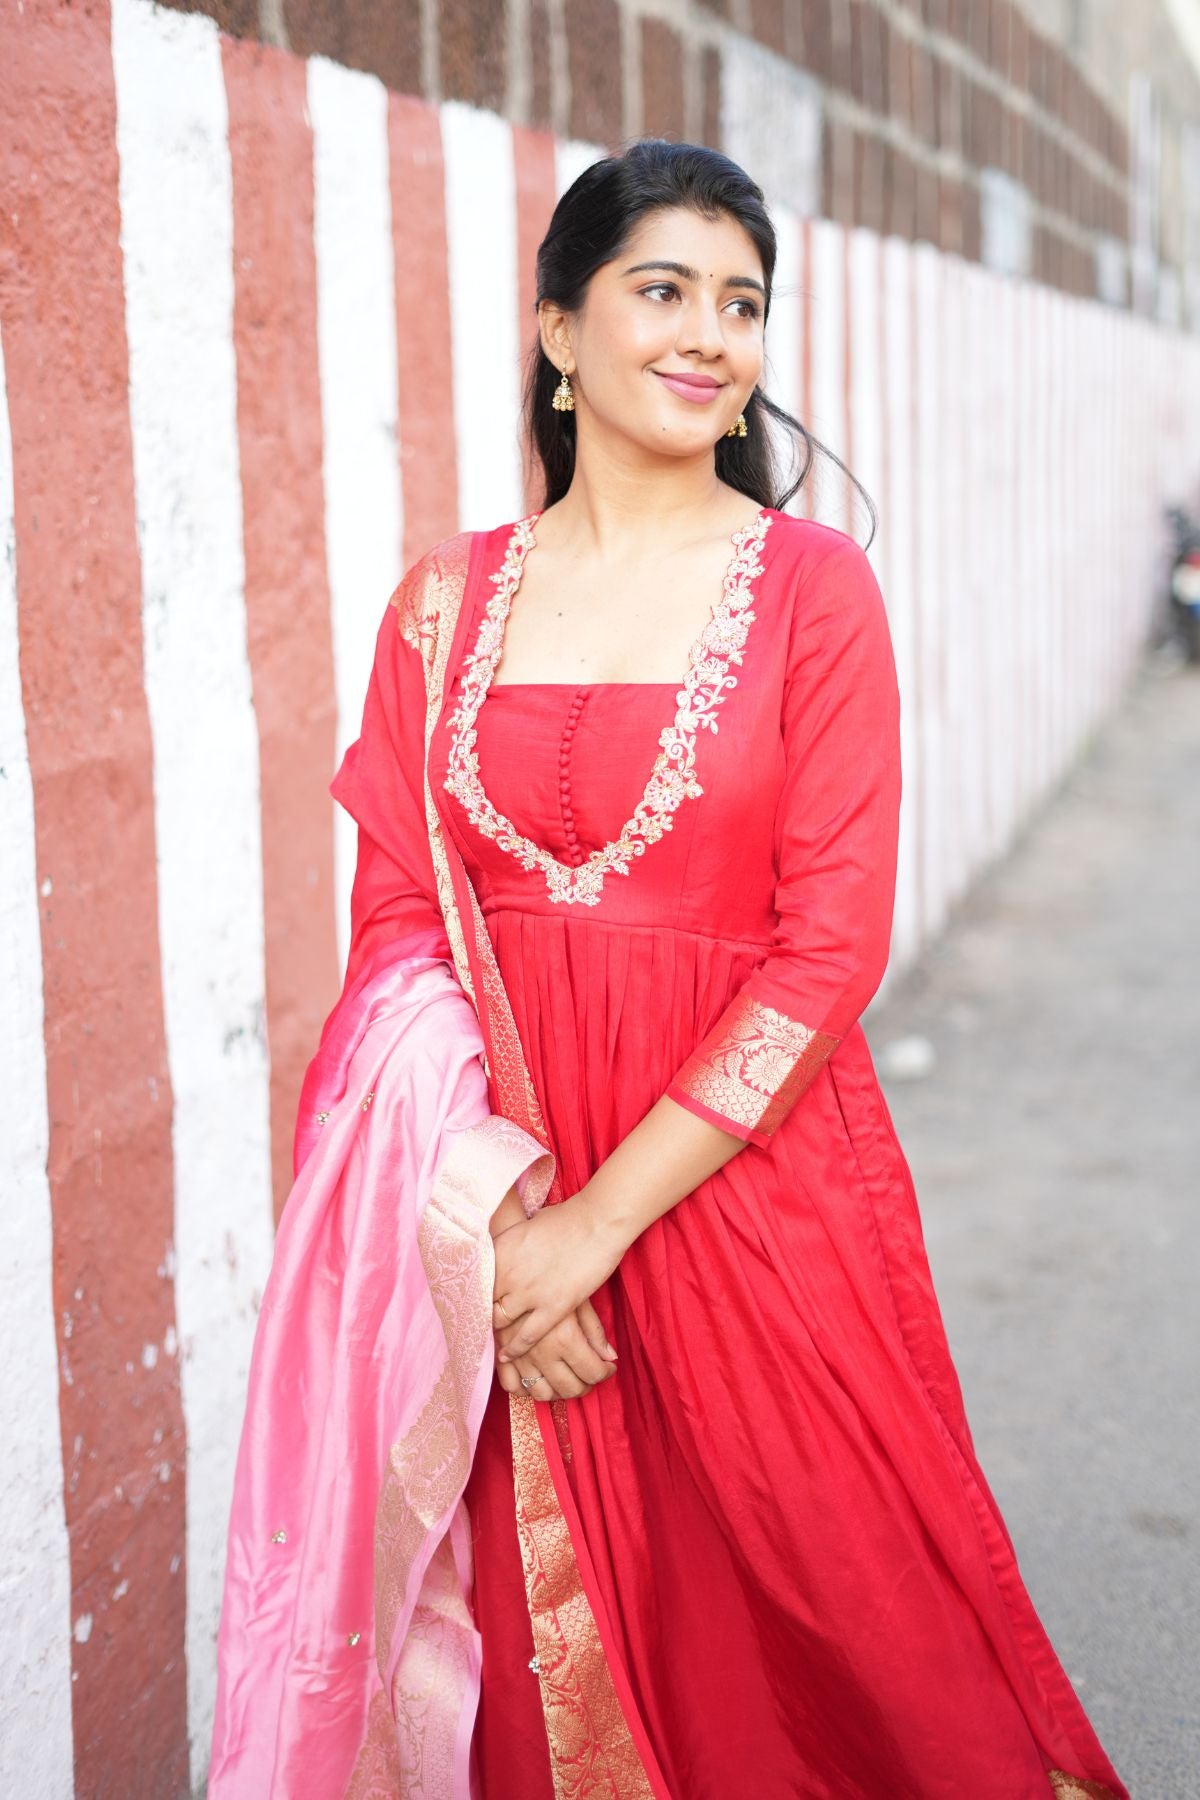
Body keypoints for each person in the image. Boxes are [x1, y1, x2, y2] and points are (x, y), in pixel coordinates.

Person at [209, 139, 1130, 1799]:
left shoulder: (812, 595)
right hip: (502, 1201)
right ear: (560, 330)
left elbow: (827, 948)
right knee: (539, 1665)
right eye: (663, 291)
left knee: (850, 1632)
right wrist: (496, 1228)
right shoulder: (441, 608)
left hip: (750, 1189)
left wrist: (593, 1230)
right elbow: (403, 928)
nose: (710, 334)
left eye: (743, 303)